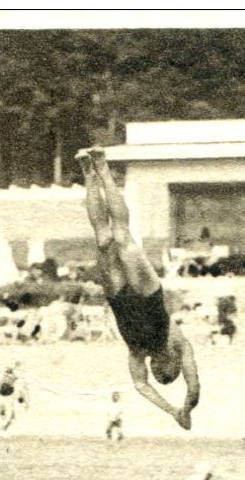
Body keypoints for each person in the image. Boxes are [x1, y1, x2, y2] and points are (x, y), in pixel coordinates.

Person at [77, 146, 200, 429]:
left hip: (119, 297)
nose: (156, 368)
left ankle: (88, 174)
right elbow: (194, 388)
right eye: (163, 370)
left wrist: (172, 411)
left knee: (104, 238)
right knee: (121, 235)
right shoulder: (178, 343)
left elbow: (141, 386)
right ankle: (102, 167)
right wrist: (186, 409)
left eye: (156, 370)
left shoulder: (137, 354)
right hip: (147, 292)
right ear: (173, 365)